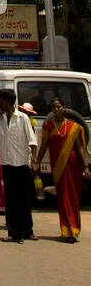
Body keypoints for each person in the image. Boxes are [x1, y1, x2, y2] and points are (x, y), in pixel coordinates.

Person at [34, 97, 89, 243]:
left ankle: (74, 230)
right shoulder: (48, 126)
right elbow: (44, 146)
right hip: (58, 167)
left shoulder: (74, 126)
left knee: (73, 198)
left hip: (73, 167)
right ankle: (66, 230)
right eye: (54, 108)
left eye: (59, 107)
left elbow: (78, 149)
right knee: (63, 197)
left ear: (64, 108)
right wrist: (37, 163)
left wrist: (86, 167)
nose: (56, 110)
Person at [0, 87, 37, 243]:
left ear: (7, 101)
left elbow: (32, 141)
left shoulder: (23, 118)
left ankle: (27, 230)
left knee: (24, 198)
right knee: (10, 199)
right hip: (7, 163)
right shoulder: (1, 119)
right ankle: (13, 232)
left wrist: (35, 161)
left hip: (22, 163)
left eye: (1, 101)